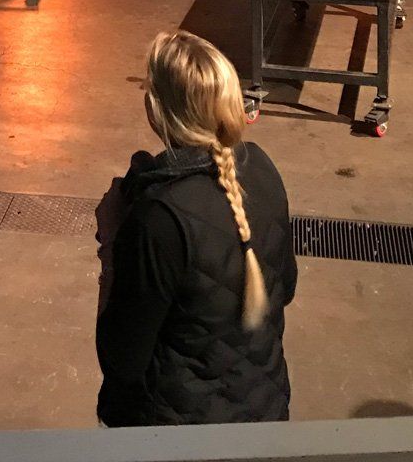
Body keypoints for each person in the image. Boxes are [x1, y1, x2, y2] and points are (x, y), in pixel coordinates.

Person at [95, 29, 297, 427]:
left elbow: (122, 359)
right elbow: (285, 288)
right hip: (264, 412)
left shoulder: (158, 216)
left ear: (156, 110)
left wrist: (112, 245)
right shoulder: (260, 167)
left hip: (177, 433)